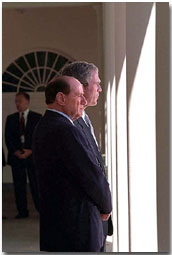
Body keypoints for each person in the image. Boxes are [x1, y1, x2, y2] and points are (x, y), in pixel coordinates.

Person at [32, 76, 112, 252]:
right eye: (79, 95)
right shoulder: (65, 129)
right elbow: (91, 175)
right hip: (77, 227)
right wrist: (106, 205)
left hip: (59, 225)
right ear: (61, 98)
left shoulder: (45, 125)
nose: (83, 101)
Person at [62, 61, 113, 249]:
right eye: (96, 83)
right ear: (81, 86)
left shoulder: (83, 117)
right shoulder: (68, 125)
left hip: (96, 217)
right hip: (83, 220)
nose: (100, 88)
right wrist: (105, 205)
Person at [5, 92, 41, 219]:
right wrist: (15, 151)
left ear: (27, 102)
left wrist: (30, 150)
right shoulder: (11, 118)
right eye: (16, 101)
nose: (17, 104)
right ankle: (22, 211)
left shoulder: (37, 117)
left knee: (36, 184)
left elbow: (39, 137)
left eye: (20, 101)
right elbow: (7, 138)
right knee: (18, 186)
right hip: (17, 157)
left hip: (32, 157)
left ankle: (40, 209)